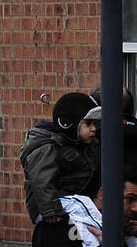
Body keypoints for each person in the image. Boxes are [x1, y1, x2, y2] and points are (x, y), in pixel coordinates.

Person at [20, 92, 96, 225]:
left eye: (95, 124)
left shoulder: (74, 143)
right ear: (69, 124)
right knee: (84, 210)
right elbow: (42, 180)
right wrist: (51, 211)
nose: (93, 129)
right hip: (49, 207)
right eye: (88, 124)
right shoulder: (47, 147)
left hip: (63, 201)